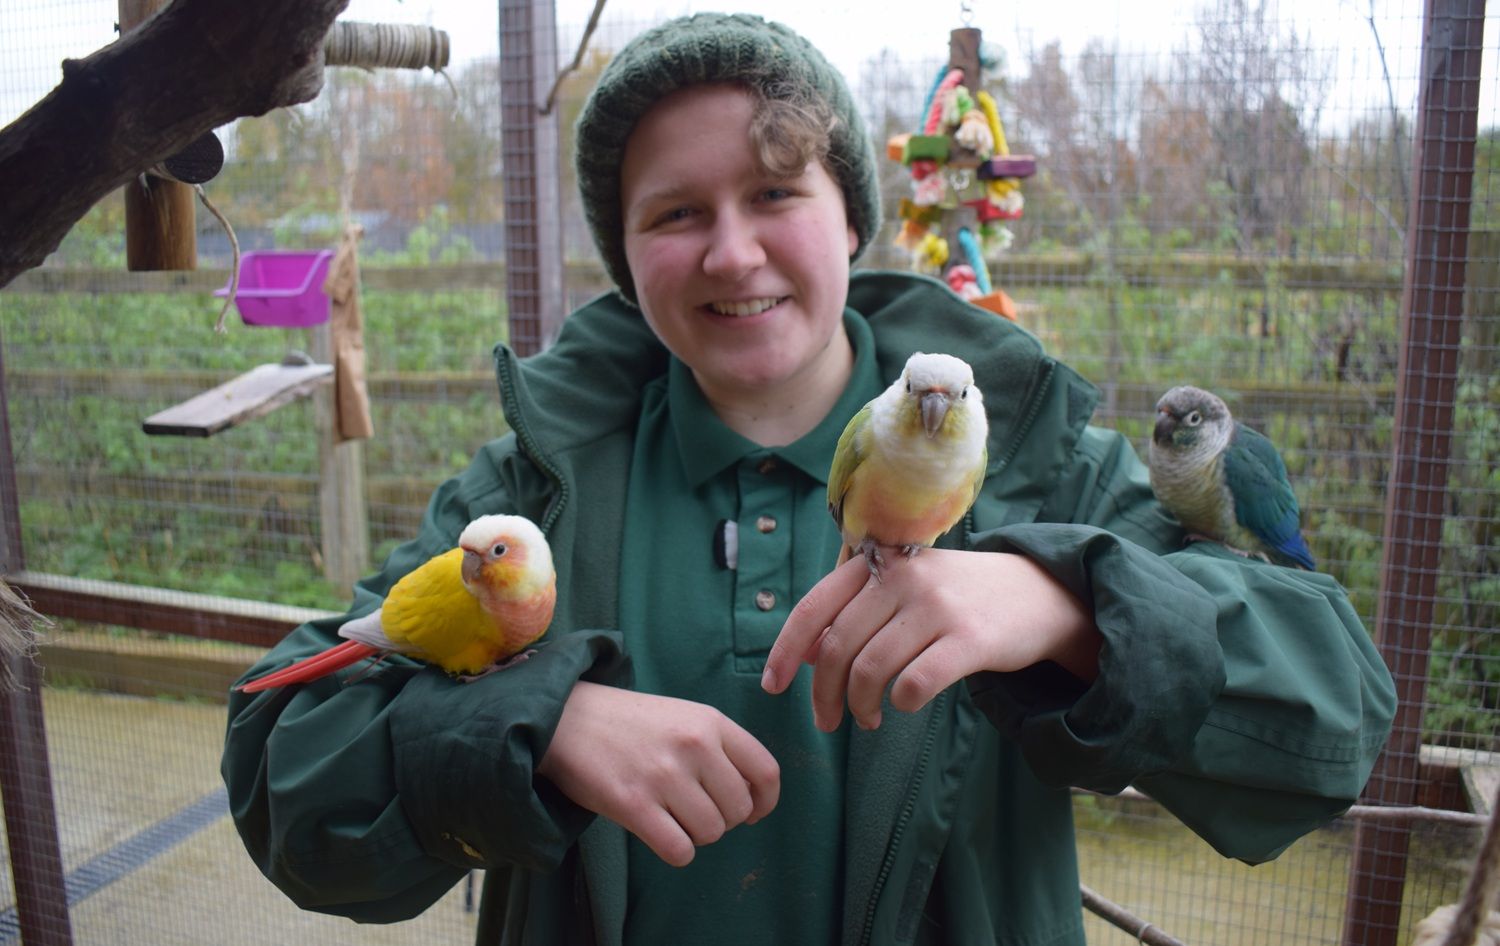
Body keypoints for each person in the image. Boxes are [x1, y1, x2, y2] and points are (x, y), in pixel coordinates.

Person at [221, 12, 1396, 945]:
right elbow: (285, 760)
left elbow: (1337, 708)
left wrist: (1066, 605)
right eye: (676, 213)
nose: (732, 252)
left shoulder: (1040, 465)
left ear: (849, 223)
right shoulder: (530, 500)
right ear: (626, 258)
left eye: (776, 195)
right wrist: (533, 722)